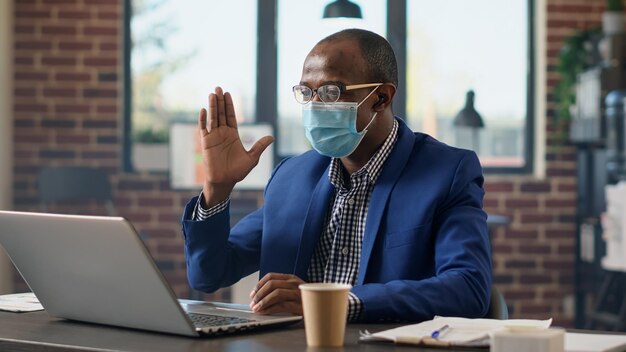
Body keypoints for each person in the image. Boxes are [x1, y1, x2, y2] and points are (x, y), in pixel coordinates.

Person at [181, 28, 492, 323]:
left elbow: (468, 287)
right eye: (307, 92)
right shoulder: (292, 177)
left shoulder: (446, 172)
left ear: (380, 98)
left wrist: (334, 302)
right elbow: (209, 275)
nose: (315, 106)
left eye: (331, 92)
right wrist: (217, 190)